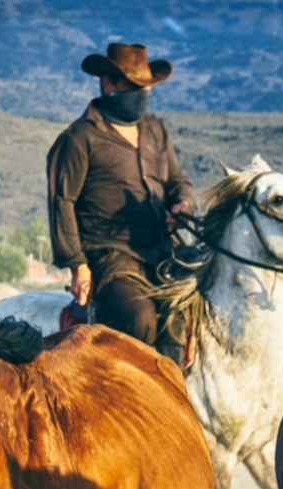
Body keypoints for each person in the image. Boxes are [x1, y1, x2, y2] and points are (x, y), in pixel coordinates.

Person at [47, 42, 194, 355]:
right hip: (110, 256)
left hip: (160, 250)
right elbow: (63, 202)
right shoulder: (82, 137)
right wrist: (78, 265)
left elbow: (177, 181)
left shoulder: (156, 130)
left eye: (147, 87)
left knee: (184, 314)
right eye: (135, 86)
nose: (144, 94)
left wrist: (183, 203)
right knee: (139, 319)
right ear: (108, 83)